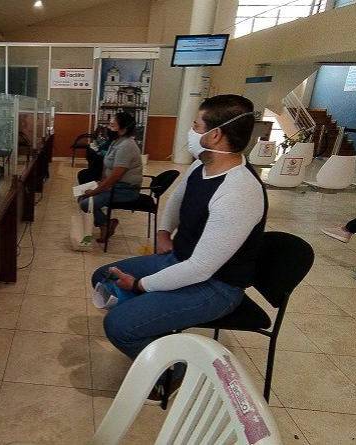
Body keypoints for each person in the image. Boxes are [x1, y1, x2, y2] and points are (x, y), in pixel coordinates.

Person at [91, 95, 266, 402]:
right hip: (180, 259)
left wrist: (141, 284)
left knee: (117, 325)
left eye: (196, 125)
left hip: (216, 286)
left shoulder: (239, 191)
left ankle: (174, 371)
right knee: (102, 276)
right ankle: (153, 331)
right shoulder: (202, 166)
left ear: (215, 135)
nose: (190, 130)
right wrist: (163, 232)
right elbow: (175, 200)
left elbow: (201, 268)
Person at [79, 112, 143, 243]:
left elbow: (115, 176)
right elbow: (107, 167)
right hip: (114, 186)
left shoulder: (127, 146)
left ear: (124, 128)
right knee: (81, 196)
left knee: (86, 203)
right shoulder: (116, 142)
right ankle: (106, 224)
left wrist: (96, 191)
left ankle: (105, 224)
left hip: (125, 190)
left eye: (113, 126)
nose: (109, 128)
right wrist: (100, 183)